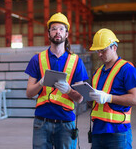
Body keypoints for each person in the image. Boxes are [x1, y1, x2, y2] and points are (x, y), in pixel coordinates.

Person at [25, 12, 89, 149]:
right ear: (48, 34)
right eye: (53, 29)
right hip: (41, 122)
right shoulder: (37, 59)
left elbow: (80, 98)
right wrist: (41, 83)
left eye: (61, 29)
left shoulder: (76, 62)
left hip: (65, 122)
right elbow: (29, 93)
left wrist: (69, 90)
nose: (57, 32)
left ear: (66, 34)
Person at [88, 28, 136, 149]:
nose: (100, 54)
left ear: (114, 47)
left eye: (103, 50)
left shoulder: (127, 69)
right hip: (97, 131)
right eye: (98, 51)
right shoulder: (98, 73)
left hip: (118, 132)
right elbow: (95, 103)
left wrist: (108, 97)